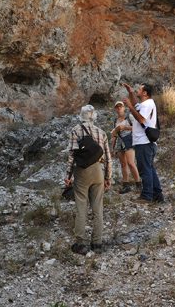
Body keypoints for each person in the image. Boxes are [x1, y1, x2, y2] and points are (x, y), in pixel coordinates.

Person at [64, 105, 112, 255]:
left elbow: (72, 156)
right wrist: (107, 177)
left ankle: (81, 243)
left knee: (81, 206)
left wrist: (68, 176)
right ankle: (97, 242)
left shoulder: (75, 131)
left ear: (81, 116)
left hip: (82, 171)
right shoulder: (102, 133)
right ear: (94, 116)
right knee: (98, 208)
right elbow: (109, 159)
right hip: (98, 170)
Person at [122, 83, 164, 203]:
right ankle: (157, 195)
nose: (137, 91)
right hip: (146, 143)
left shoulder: (148, 104)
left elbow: (141, 118)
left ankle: (146, 196)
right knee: (149, 169)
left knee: (145, 169)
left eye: (139, 89)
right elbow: (137, 105)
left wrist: (129, 106)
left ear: (145, 93)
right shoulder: (146, 104)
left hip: (144, 142)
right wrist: (130, 93)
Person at [111, 101, 141, 194]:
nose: (119, 108)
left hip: (129, 140)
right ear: (115, 109)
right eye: (117, 107)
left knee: (131, 163)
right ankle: (126, 185)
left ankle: (139, 184)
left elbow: (138, 127)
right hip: (120, 142)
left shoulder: (129, 117)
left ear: (124, 108)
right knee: (123, 164)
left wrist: (125, 127)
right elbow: (114, 135)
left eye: (120, 106)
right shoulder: (115, 121)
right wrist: (112, 148)